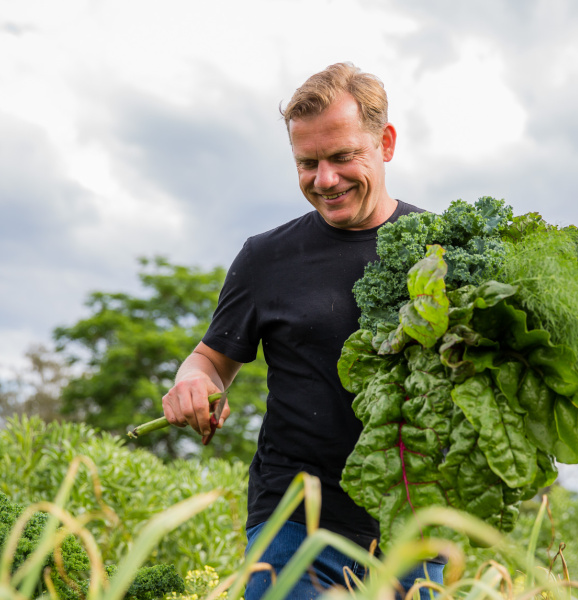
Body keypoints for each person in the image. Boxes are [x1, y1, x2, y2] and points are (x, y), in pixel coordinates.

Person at [161, 62, 445, 599]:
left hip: (413, 525)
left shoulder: (445, 253)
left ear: (385, 143)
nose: (324, 180)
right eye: (307, 163)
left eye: (342, 157)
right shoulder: (267, 257)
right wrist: (193, 381)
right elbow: (210, 360)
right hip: (294, 516)